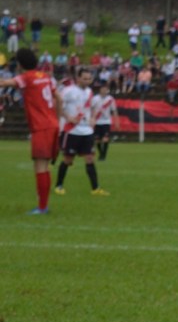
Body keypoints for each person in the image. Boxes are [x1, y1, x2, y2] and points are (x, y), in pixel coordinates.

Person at [0, 48, 61, 214]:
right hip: (52, 124)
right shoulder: (45, 77)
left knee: (40, 165)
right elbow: (59, 98)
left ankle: (42, 207)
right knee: (43, 165)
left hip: (41, 126)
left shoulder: (26, 77)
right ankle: (43, 205)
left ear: (20, 64)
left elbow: (4, 83)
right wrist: (58, 118)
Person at [55, 68, 110, 196]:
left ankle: (95, 189)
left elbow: (90, 107)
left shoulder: (89, 92)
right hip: (72, 130)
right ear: (78, 78)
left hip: (86, 131)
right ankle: (59, 185)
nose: (87, 81)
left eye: (89, 79)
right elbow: (58, 107)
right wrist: (68, 117)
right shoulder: (68, 91)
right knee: (68, 159)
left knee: (90, 158)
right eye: (84, 78)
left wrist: (92, 118)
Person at [91, 82, 120, 161]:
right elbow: (92, 110)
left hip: (106, 121)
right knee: (97, 140)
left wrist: (117, 121)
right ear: (100, 90)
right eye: (102, 89)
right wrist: (92, 119)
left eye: (105, 89)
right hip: (97, 121)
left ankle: (103, 156)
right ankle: (101, 153)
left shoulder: (110, 99)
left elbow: (114, 110)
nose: (104, 90)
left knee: (105, 139)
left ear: (107, 90)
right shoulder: (95, 98)